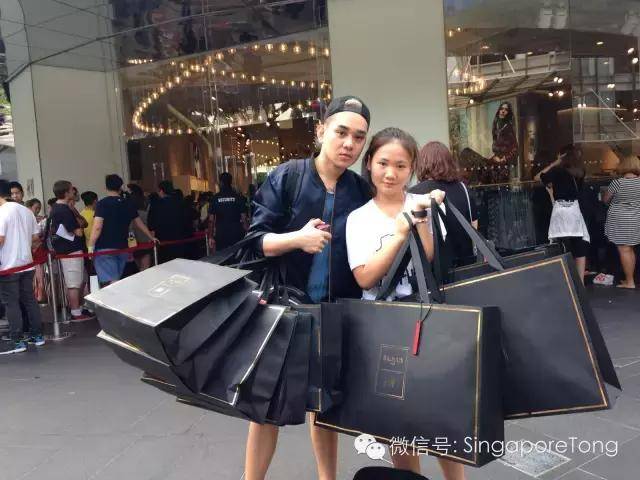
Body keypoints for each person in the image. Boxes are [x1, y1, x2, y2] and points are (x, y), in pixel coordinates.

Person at [245, 95, 372, 480]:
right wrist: (297, 239)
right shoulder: (289, 176)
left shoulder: (359, 190)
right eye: (341, 132)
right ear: (321, 131)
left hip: (335, 311)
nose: (349, 143)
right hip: (284, 310)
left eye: (359, 137)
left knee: (325, 404)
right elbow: (255, 242)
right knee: (266, 404)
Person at [345, 128, 462, 480]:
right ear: (369, 163)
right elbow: (365, 277)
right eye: (383, 163)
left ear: (412, 169)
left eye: (400, 165)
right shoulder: (358, 218)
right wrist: (398, 233)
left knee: (440, 415)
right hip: (383, 332)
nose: (390, 173)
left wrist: (420, 217)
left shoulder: (423, 204)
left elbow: (429, 258)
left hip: (428, 323)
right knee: (399, 423)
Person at [410, 141, 478, 278]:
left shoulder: (413, 194)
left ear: (422, 164)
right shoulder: (463, 189)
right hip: (467, 267)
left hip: (433, 273)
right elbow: (474, 227)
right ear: (449, 162)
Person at [0, 179, 45, 354]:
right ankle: (37, 336)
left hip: (8, 266)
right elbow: (35, 238)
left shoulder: (2, 212)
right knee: (29, 300)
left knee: (11, 303)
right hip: (27, 264)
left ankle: (17, 341)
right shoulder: (26, 211)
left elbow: (0, 239)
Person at [88, 175, 156, 285]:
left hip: (105, 247)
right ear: (120, 186)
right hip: (123, 246)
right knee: (117, 279)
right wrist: (151, 237)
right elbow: (139, 223)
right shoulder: (128, 203)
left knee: (111, 281)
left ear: (106, 187)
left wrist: (91, 246)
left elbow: (97, 227)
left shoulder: (102, 204)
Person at [535, 145, 589, 282]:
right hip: (574, 209)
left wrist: (554, 163)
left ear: (562, 156)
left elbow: (539, 177)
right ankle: (580, 281)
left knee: (559, 243)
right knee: (579, 244)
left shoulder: (557, 171)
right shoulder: (580, 171)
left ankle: (562, 278)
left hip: (561, 210)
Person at [47, 180, 93, 321]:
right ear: (66, 192)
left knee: (76, 281)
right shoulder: (64, 210)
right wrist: (77, 224)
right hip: (71, 251)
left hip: (66, 250)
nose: (74, 191)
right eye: (72, 189)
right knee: (73, 283)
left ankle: (78, 309)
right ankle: (76, 312)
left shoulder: (56, 208)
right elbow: (78, 231)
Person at [603, 155, 640, 289]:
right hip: (636, 218)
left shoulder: (617, 183)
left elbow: (605, 199)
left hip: (620, 220)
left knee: (624, 250)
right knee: (630, 249)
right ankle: (630, 280)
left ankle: (630, 282)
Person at [208, 172, 248, 251]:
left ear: (220, 182)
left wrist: (210, 236)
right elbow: (244, 218)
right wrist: (247, 233)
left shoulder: (215, 198)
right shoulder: (238, 197)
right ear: (231, 182)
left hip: (221, 233)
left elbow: (211, 220)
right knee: (237, 255)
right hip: (236, 232)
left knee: (223, 256)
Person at [147, 180, 186, 263]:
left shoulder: (156, 204)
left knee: (165, 265)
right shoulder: (180, 203)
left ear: (161, 191)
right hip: (179, 240)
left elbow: (151, 225)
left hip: (162, 242)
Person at [128, 184, 153, 271]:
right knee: (145, 269)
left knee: (139, 269)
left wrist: (131, 245)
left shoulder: (129, 212)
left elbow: (130, 229)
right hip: (145, 242)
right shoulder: (145, 210)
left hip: (133, 243)